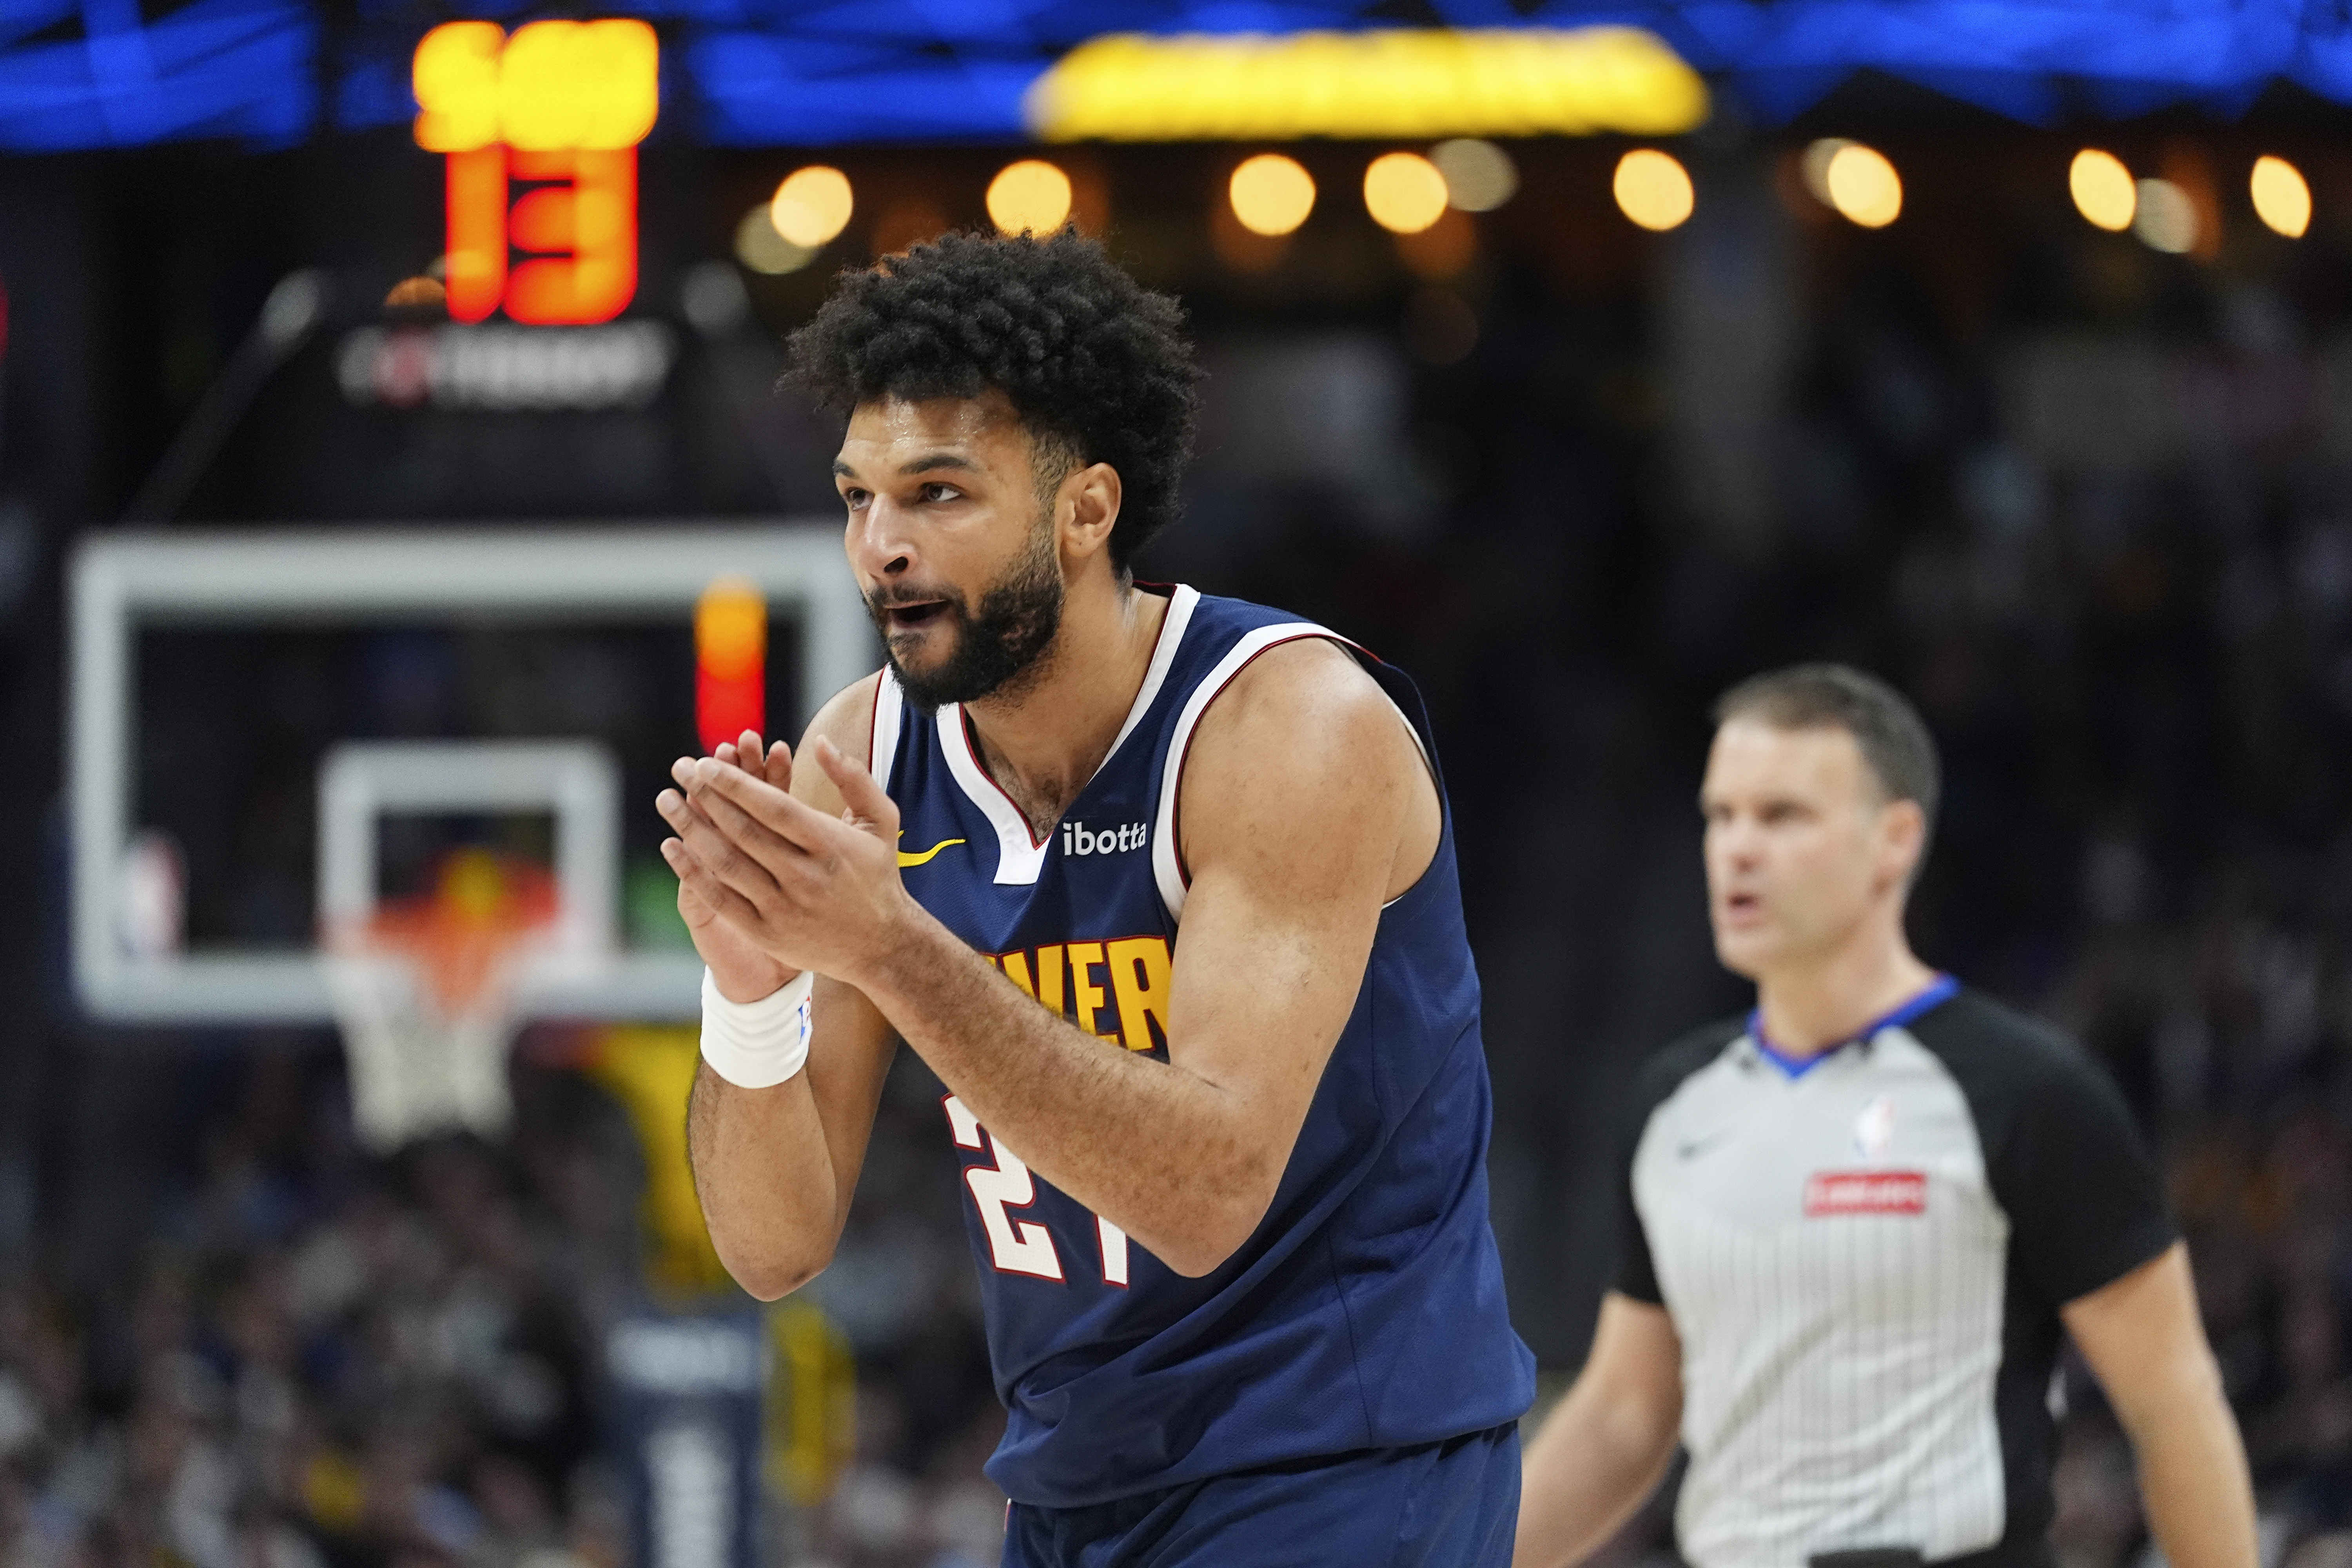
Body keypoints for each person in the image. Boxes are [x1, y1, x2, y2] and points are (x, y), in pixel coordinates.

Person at [656, 231, 1534, 1565]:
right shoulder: (868, 751)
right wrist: (750, 987)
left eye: (939, 494)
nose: (882, 547)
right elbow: (773, 1249)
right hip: (1073, 1484)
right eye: (857, 498)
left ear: (1086, 510)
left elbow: (1209, 1194)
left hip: (1338, 1467)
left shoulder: (1286, 728)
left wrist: (890, 946)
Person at [1514, 664, 2256, 1568]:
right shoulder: (1674, 1099)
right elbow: (1627, 1413)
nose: (1737, 848)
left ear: (1895, 839)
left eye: (1783, 815)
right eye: (1722, 814)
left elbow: (2171, 1398)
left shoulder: (2026, 1091)